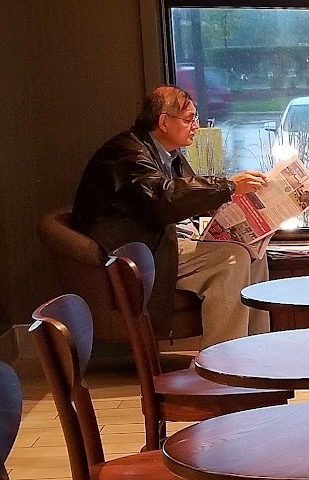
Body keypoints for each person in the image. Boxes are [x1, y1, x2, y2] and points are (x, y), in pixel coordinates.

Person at [71, 86, 268, 342]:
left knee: (255, 254)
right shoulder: (127, 153)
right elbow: (163, 199)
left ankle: (256, 347)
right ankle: (224, 358)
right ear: (164, 121)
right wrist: (228, 186)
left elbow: (189, 196)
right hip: (143, 250)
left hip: (167, 239)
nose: (196, 126)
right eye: (189, 119)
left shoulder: (169, 155)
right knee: (232, 257)